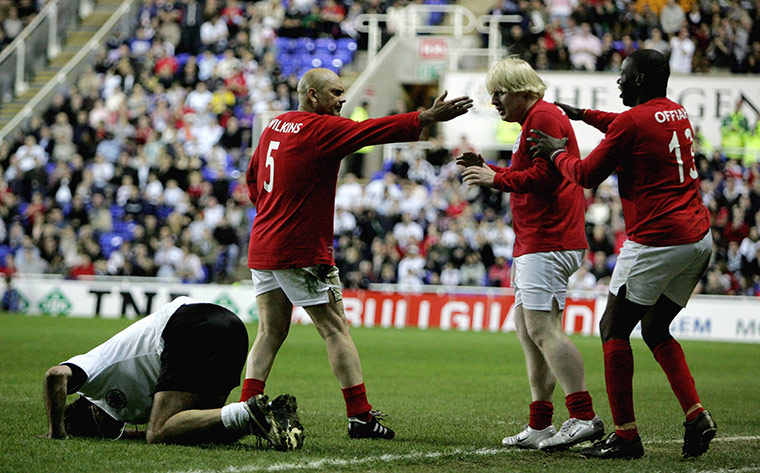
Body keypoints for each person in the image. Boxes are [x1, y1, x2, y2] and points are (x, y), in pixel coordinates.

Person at [241, 67, 472, 440]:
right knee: (335, 330)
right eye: (335, 93)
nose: (342, 100)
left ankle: (245, 409)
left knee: (270, 331)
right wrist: (424, 118)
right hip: (299, 249)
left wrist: (274, 213)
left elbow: (253, 180)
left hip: (263, 243)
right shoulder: (321, 129)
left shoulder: (273, 127)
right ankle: (361, 417)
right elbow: (372, 131)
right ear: (313, 96)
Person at [527, 49, 717, 459]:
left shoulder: (633, 121)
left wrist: (557, 151)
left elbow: (586, 175)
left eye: (624, 76)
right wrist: (582, 114)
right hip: (698, 238)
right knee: (654, 329)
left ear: (641, 81)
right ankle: (695, 414)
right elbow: (622, 124)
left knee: (613, 328)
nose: (618, 82)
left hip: (657, 239)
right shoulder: (675, 112)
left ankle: (626, 436)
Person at [457, 57, 603, 452]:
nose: (494, 101)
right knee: (529, 329)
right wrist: (489, 168)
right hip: (537, 240)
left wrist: (495, 177)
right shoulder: (535, 119)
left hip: (548, 239)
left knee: (542, 329)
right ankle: (540, 425)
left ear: (522, 90)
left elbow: (546, 177)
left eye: (499, 93)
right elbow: (538, 171)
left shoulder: (543, 117)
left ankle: (583, 416)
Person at [42, 297, 302, 450]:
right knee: (202, 429)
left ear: (93, 408)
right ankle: (268, 419)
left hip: (187, 326)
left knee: (159, 433)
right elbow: (134, 433)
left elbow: (55, 375)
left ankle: (247, 412)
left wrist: (57, 431)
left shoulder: (93, 375)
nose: (120, 427)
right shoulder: (117, 413)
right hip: (231, 327)